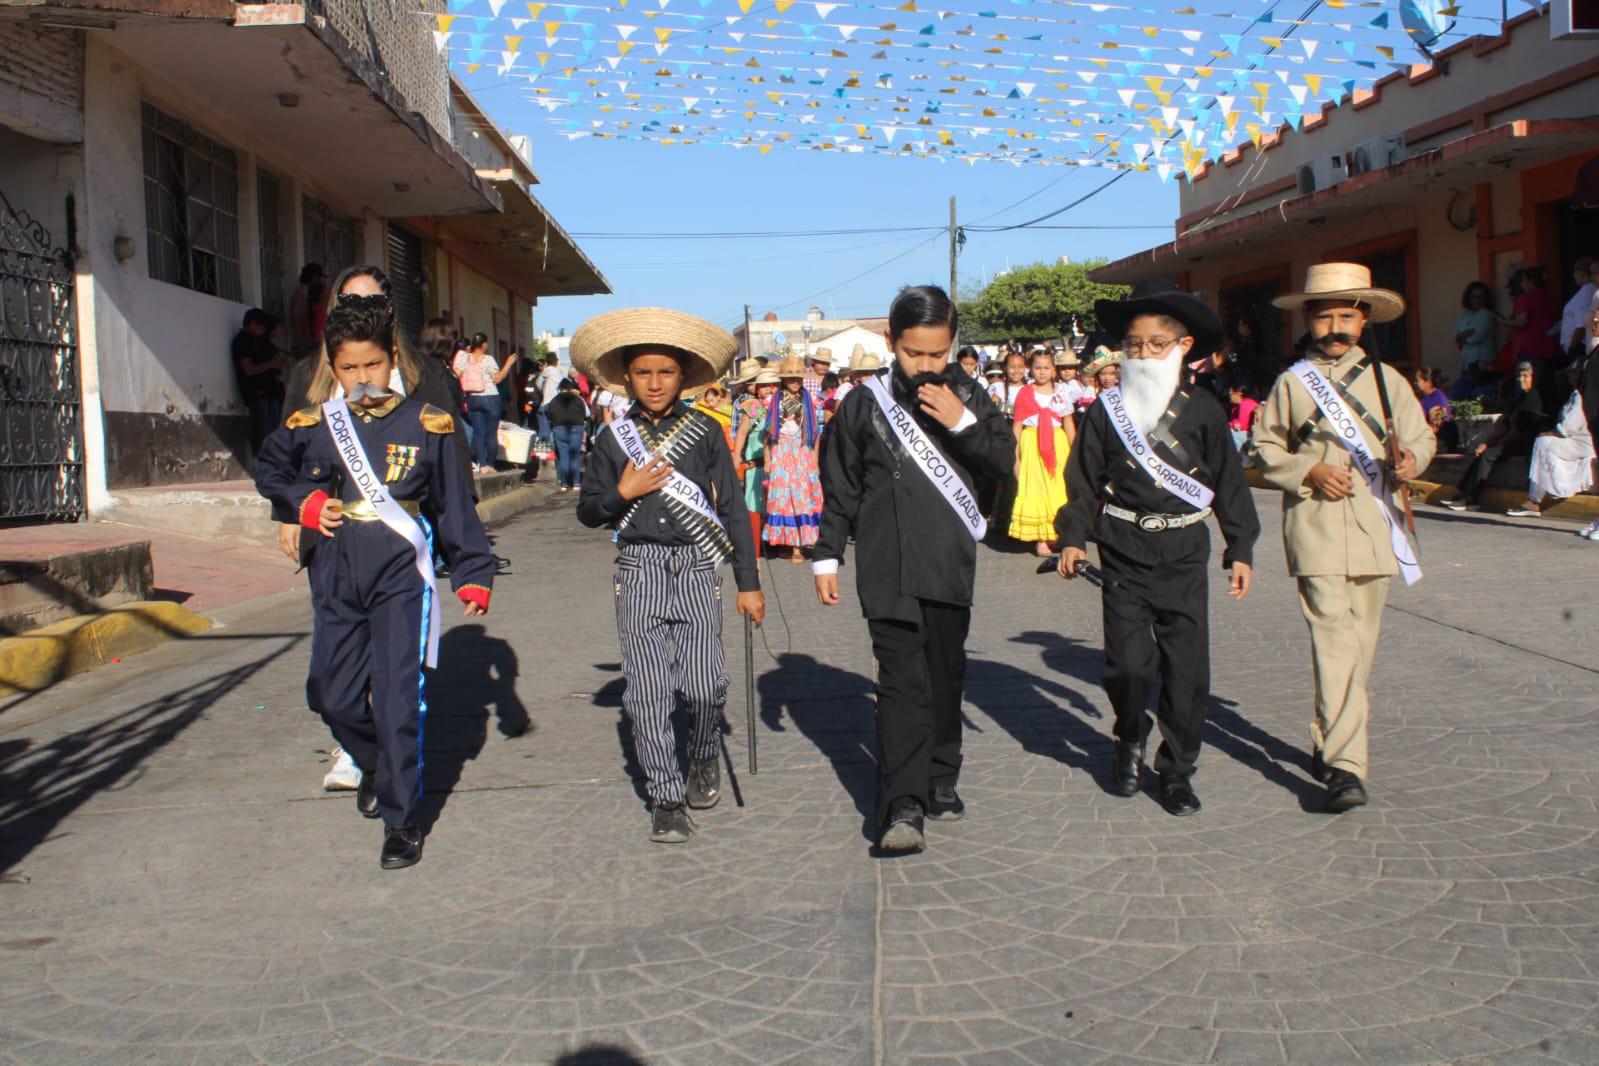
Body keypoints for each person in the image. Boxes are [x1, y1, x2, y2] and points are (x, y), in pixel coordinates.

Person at [255, 296, 495, 870]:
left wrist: (472, 572)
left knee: (395, 699)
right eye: (349, 369)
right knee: (330, 694)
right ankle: (377, 763)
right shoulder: (313, 424)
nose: (362, 379)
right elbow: (270, 470)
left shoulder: (426, 424)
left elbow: (454, 506)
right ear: (332, 369)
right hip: (336, 566)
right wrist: (303, 503)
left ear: (392, 358)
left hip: (399, 571)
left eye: (372, 366)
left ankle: (401, 818)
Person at [814, 285, 1014, 853]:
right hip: (885, 566)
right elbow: (841, 484)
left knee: (945, 676)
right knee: (901, 681)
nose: (925, 366)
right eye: (912, 353)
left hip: (949, 564)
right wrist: (828, 553)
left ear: (953, 345)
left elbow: (1003, 462)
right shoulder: (861, 404)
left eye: (937, 354)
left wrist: (964, 424)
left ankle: (941, 773)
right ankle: (903, 803)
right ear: (890, 342)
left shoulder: (972, 395)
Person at [1057, 280, 1258, 817]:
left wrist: (1240, 544)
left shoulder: (1205, 410)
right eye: (1133, 344)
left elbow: (1230, 483)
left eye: (1155, 344)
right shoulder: (1105, 410)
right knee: (1127, 666)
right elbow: (1081, 480)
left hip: (1185, 549)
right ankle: (1129, 736)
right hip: (1122, 547)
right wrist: (1074, 537)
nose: (1142, 354)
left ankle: (1178, 768)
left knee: (1188, 668)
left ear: (1183, 347)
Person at [572, 308, 765, 844]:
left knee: (705, 688)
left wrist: (748, 582)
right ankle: (666, 796)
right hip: (639, 570)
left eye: (665, 373)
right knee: (648, 692)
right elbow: (589, 511)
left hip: (699, 568)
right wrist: (622, 493)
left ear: (684, 377)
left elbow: (731, 511)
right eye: (642, 373)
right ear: (626, 378)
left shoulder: (705, 431)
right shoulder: (614, 439)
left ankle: (703, 752)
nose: (654, 384)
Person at [1254, 263, 1434, 813]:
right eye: (1325, 316)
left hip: (1377, 526)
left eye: (1347, 317)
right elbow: (1265, 449)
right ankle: (1346, 768)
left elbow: (1422, 437)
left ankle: (1327, 735)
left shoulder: (1389, 381)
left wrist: (1411, 458)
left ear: (1363, 321)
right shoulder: (1291, 383)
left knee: (1358, 650)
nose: (1336, 327)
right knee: (1334, 642)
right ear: (1307, 321)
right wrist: (1307, 471)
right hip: (1315, 528)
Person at [1439, 362, 1545, 511]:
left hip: (1523, 442)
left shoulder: (1533, 399)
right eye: (1519, 376)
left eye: (1525, 376)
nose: (1521, 379)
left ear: (1534, 378)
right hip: (1510, 439)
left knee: (1489, 455)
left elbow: (1519, 430)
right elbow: (1505, 425)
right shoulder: (1521, 398)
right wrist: (1487, 442)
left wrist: (1495, 444)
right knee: (1480, 452)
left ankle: (1472, 497)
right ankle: (1463, 493)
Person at [1009, 348, 1075, 556]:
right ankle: (1040, 539)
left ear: (1054, 369)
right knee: (1036, 489)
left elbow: (1068, 423)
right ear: (1031, 370)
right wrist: (1015, 457)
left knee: (1059, 489)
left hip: (1058, 443)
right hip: (1032, 445)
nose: (1042, 372)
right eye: (1038, 368)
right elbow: (1017, 427)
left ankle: (1054, 534)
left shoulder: (1061, 391)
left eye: (1047, 368)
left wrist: (1076, 452)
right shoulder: (1025, 393)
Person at [1509, 358, 1594, 517]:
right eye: (1569, 372)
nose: (1570, 376)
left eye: (1573, 372)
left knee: (1542, 442)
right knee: (1542, 441)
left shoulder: (1583, 395)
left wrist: (1552, 433)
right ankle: (1536, 498)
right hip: (1574, 440)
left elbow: (1569, 427)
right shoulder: (1576, 393)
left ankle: (1534, 500)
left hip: (1581, 443)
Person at [763, 355, 825, 563]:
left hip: (802, 449)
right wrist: (767, 459)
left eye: (797, 378)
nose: (795, 382)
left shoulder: (809, 401)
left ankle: (803, 543)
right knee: (784, 498)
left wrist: (815, 460)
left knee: (803, 496)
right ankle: (792, 546)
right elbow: (768, 433)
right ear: (783, 380)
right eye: (790, 379)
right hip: (781, 450)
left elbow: (816, 433)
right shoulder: (775, 401)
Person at [232, 308, 287, 460]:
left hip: (268, 391)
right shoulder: (243, 341)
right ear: (252, 323)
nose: (263, 330)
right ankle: (261, 463)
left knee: (271, 431)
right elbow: (248, 369)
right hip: (257, 391)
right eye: (260, 326)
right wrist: (272, 364)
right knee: (261, 431)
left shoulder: (257, 341)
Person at [734, 369, 779, 550]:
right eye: (764, 386)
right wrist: (737, 455)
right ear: (757, 389)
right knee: (755, 501)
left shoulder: (784, 405)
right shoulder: (752, 405)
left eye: (774, 385)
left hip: (779, 461)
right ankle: (755, 543)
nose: (770, 389)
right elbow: (743, 432)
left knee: (776, 501)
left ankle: (776, 541)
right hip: (756, 459)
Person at [453, 333, 510, 473]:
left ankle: (482, 465)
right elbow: (497, 379)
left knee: (478, 433)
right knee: (491, 433)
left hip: (473, 398)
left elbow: (456, 374)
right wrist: (508, 364)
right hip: (490, 398)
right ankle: (490, 464)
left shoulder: (464, 358)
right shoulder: (488, 359)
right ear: (484, 345)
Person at [1452, 281, 1499, 399]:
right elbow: (1454, 336)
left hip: (1481, 365)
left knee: (1465, 393)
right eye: (1474, 297)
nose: (1477, 300)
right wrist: (1466, 333)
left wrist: (1462, 337)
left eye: (1481, 297)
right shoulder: (1464, 315)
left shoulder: (1487, 315)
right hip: (1466, 364)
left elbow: (1477, 338)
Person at [545, 377, 589, 493]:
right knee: (574, 457)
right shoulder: (578, 399)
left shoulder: (553, 400)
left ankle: (564, 484)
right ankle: (576, 483)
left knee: (563, 457)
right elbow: (585, 414)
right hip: (576, 429)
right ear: (570, 388)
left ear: (560, 388)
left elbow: (549, 415)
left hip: (559, 430)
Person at [1413, 367, 1459, 454]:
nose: (1415, 383)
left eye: (1418, 380)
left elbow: (1436, 425)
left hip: (1441, 443)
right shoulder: (1426, 399)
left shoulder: (1438, 398)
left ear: (1428, 382)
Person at [1559, 256, 1595, 357]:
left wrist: (1571, 347)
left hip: (1580, 347)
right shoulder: (1591, 291)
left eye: (1576, 270)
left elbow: (1582, 326)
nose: (1574, 275)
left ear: (1583, 272)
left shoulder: (1586, 293)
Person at [288, 262, 323, 359]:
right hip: (305, 345)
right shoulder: (303, 293)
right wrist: (302, 345)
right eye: (319, 277)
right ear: (314, 277)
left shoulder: (306, 292)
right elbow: (298, 318)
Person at [533, 352, 563, 439]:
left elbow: (538, 383)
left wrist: (544, 391)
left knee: (543, 431)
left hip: (543, 404)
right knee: (554, 430)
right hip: (554, 404)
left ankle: (545, 449)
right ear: (556, 361)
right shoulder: (558, 373)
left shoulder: (544, 372)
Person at [1226, 383, 1258, 453]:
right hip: (1244, 433)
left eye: (1231, 394)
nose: (1229, 396)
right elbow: (1235, 423)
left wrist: (1230, 424)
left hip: (1250, 435)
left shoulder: (1246, 403)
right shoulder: (1236, 406)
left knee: (1229, 433)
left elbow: (1241, 426)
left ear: (1239, 393)